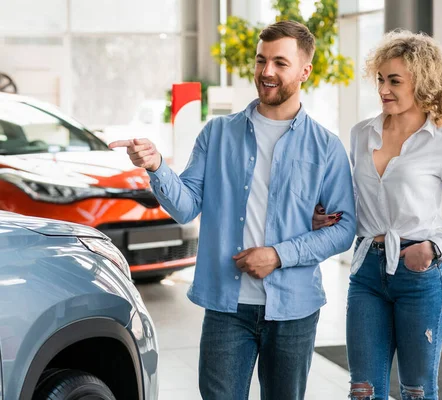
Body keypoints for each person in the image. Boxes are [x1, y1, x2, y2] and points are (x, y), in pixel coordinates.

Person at [109, 20, 356, 400]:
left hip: (294, 308)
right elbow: (186, 207)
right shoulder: (217, 133)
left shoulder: (326, 146)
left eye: (280, 62)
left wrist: (278, 255)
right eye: (261, 61)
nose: (266, 72)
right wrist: (157, 165)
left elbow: (343, 228)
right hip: (227, 307)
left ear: (305, 71)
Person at [342, 30, 442, 400]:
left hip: (420, 276)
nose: (384, 89)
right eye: (380, 79)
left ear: (422, 84)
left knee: (417, 392)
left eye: (395, 81)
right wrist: (328, 215)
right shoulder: (362, 134)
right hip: (366, 272)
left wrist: (434, 248)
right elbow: (355, 198)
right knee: (363, 390)